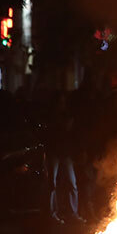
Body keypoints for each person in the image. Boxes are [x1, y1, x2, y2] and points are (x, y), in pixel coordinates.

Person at [46, 90, 81, 224]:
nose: (62, 104)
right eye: (60, 102)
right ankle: (52, 214)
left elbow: (71, 133)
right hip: (54, 153)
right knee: (52, 184)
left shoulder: (67, 115)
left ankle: (73, 213)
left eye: (63, 102)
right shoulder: (51, 117)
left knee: (72, 184)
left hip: (65, 153)